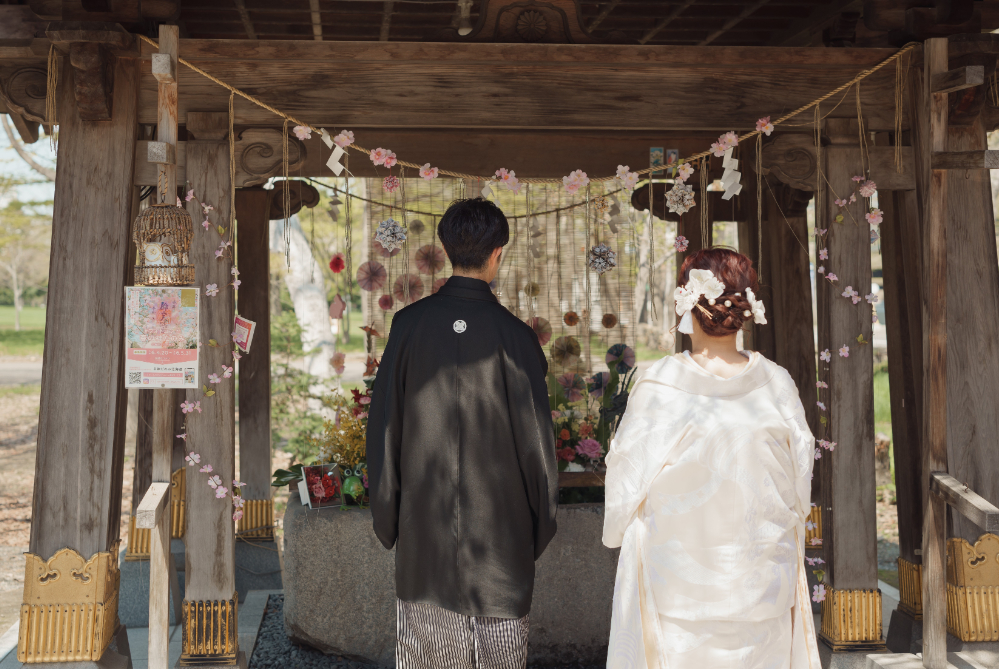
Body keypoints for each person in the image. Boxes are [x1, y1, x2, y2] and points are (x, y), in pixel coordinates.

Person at [602, 248, 821, 669]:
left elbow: (625, 484)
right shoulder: (775, 383)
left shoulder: (661, 384)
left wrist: (618, 532)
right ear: (746, 303)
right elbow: (799, 488)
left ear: (686, 303)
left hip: (680, 589)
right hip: (761, 586)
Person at [367, 197, 559, 669]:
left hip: (423, 539)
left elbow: (385, 428)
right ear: (499, 252)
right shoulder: (516, 337)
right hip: (501, 544)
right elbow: (538, 447)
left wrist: (390, 519)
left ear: (447, 249)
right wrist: (535, 530)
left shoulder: (408, 326)